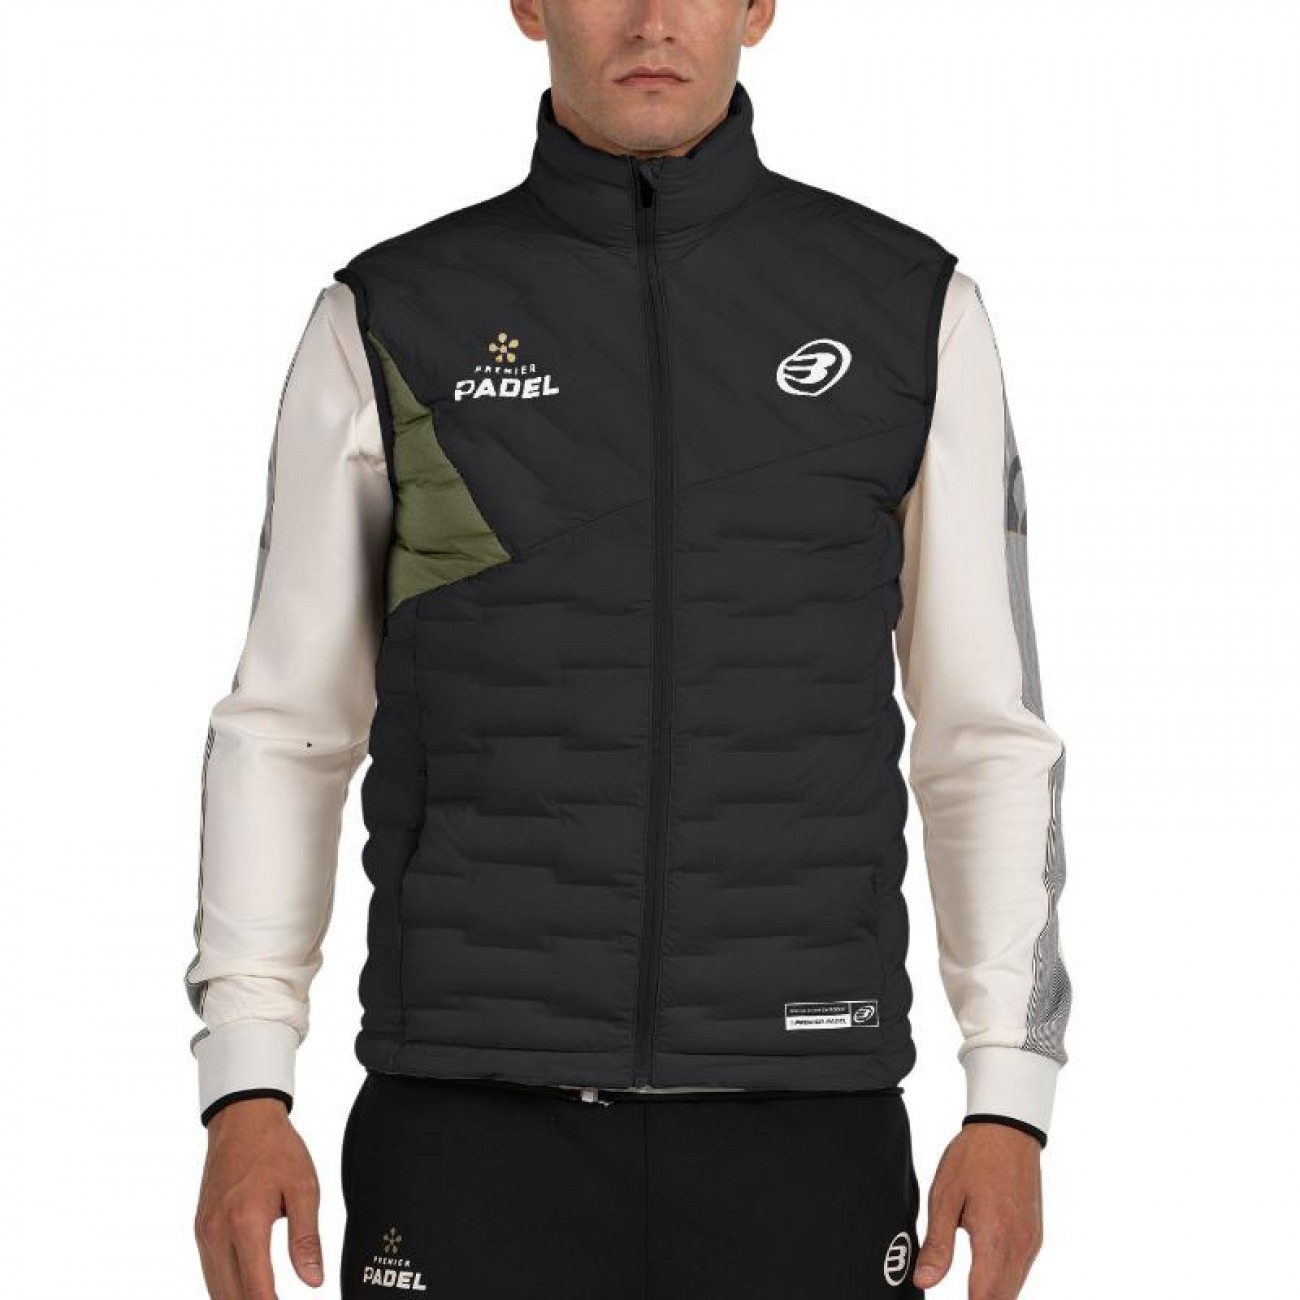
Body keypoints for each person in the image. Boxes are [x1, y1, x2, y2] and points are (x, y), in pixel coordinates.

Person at [186, 3, 1071, 1298]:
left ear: (758, 6)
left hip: (804, 1119)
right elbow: (288, 725)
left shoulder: (907, 309)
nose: (654, 20)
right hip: (468, 1119)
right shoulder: (393, 317)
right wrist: (246, 1082)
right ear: (529, 4)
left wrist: (1008, 1095)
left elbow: (982, 733)